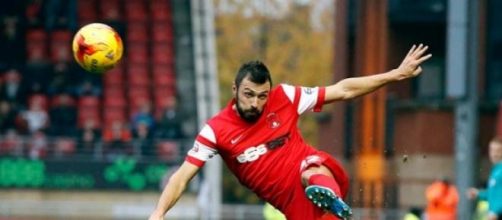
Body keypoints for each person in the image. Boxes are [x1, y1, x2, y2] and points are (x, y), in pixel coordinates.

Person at [149, 44, 431, 220]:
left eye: (262, 95)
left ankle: (326, 192)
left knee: (309, 166)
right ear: (235, 90)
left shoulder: (285, 96)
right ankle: (327, 201)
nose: (256, 103)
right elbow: (183, 175)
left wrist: (395, 75)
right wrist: (159, 213)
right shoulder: (215, 131)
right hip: (294, 208)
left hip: (314, 174)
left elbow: (342, 90)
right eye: (248, 95)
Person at [467, 136, 502, 220]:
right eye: (492, 150)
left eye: (498, 151)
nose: (494, 154)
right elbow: (493, 193)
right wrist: (478, 193)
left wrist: (496, 212)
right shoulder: (495, 170)